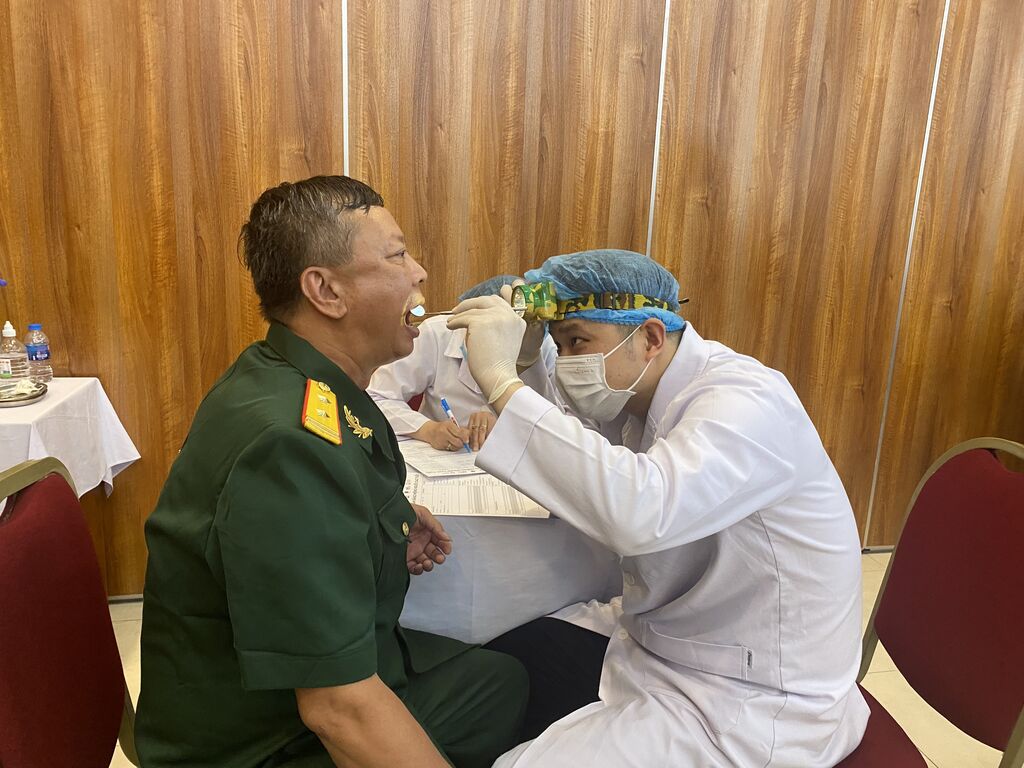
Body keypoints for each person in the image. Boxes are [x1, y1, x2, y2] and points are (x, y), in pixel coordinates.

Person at [135, 176, 527, 768]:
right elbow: (338, 709)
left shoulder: (289, 375)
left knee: (503, 683)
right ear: (325, 291)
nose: (419, 273)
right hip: (260, 741)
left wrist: (384, 525)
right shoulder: (288, 446)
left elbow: (304, 514)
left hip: (287, 695)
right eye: (397, 256)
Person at [448, 249, 869, 767]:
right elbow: (577, 454)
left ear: (649, 337)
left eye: (577, 342)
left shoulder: (745, 400)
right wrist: (528, 363)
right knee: (510, 653)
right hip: (670, 643)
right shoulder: (637, 398)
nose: (569, 361)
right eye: (560, 344)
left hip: (752, 696)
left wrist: (500, 380)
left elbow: (639, 510)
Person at [368, 275, 556, 452]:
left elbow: (559, 428)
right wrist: (428, 429)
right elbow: (376, 398)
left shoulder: (536, 345)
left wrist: (503, 421)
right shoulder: (438, 333)